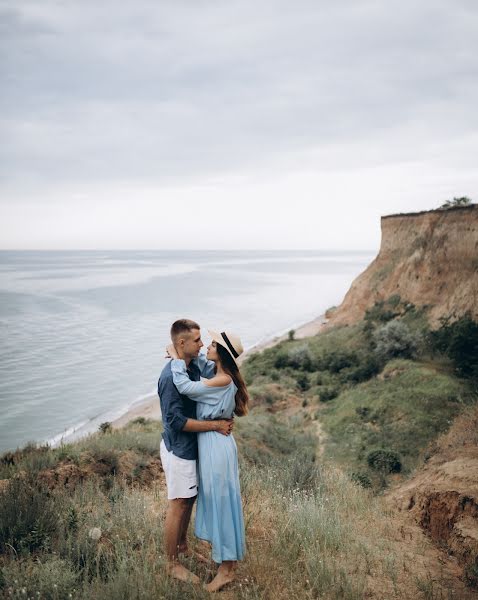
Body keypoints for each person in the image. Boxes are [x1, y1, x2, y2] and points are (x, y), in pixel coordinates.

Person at [167, 328, 249, 592]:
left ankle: (227, 570)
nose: (205, 347)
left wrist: (176, 360)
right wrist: (183, 354)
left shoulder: (222, 380)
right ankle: (226, 563)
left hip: (217, 447)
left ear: (221, 353)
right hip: (214, 445)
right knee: (218, 502)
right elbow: (201, 362)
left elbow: (186, 387)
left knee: (223, 505)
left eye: (211, 344)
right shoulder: (217, 372)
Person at [158, 319, 234, 584]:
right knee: (178, 504)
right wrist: (215, 425)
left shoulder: (191, 367)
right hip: (179, 449)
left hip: (193, 448)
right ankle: (171, 564)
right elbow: (176, 422)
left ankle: (182, 547)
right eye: (197, 340)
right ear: (182, 343)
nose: (202, 345)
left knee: (188, 501)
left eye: (204, 340)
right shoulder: (171, 377)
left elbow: (218, 370)